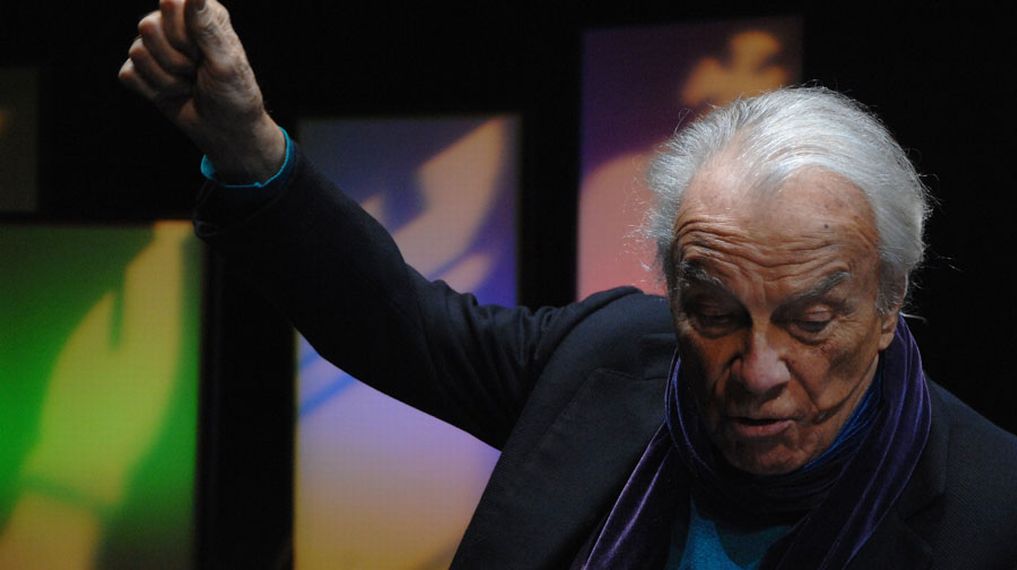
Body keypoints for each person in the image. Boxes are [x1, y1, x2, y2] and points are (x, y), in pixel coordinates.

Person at [120, 1, 1017, 568]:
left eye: (810, 321)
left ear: (888, 304)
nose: (756, 372)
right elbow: (399, 325)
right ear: (671, 291)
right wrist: (252, 155)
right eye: (712, 315)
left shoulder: (994, 508)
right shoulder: (608, 356)